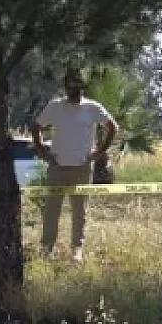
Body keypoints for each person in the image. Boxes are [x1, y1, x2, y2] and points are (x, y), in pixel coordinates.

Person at [31, 67, 118, 262]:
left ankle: (77, 250)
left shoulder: (93, 107)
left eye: (78, 83)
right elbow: (36, 127)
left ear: (82, 86)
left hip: (82, 167)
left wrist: (100, 152)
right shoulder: (54, 106)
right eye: (70, 83)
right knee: (51, 210)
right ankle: (46, 249)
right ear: (65, 85)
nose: (74, 87)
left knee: (80, 212)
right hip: (57, 167)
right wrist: (42, 151)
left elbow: (113, 127)